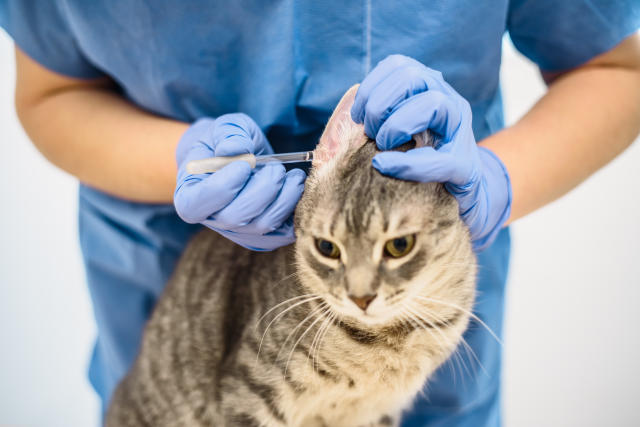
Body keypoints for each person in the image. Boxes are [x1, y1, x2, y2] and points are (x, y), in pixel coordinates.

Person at [1, 1, 639, 425]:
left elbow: (617, 66)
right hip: (167, 284)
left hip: (428, 261)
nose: (361, 296)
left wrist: (500, 177)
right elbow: (51, 89)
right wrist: (180, 164)